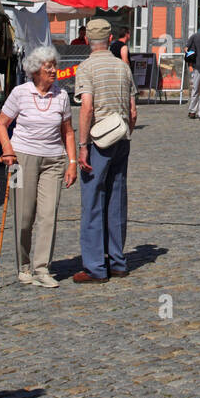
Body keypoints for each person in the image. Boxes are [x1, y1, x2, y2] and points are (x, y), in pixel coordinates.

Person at [0, 45, 77, 288]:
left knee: (49, 215)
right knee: (24, 214)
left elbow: (68, 132)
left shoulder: (61, 96)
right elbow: (1, 124)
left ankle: (42, 268)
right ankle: (23, 265)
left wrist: (71, 163)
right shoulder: (20, 93)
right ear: (35, 71)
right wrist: (7, 149)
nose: (54, 71)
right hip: (22, 158)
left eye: (54, 66)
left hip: (53, 160)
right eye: (48, 67)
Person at [74, 19, 137, 283]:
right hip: (122, 137)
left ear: (88, 40)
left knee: (92, 201)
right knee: (116, 199)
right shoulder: (122, 68)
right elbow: (133, 111)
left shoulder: (86, 68)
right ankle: (118, 261)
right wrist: (127, 131)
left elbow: (87, 107)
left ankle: (95, 267)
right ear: (111, 39)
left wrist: (82, 145)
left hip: (99, 139)